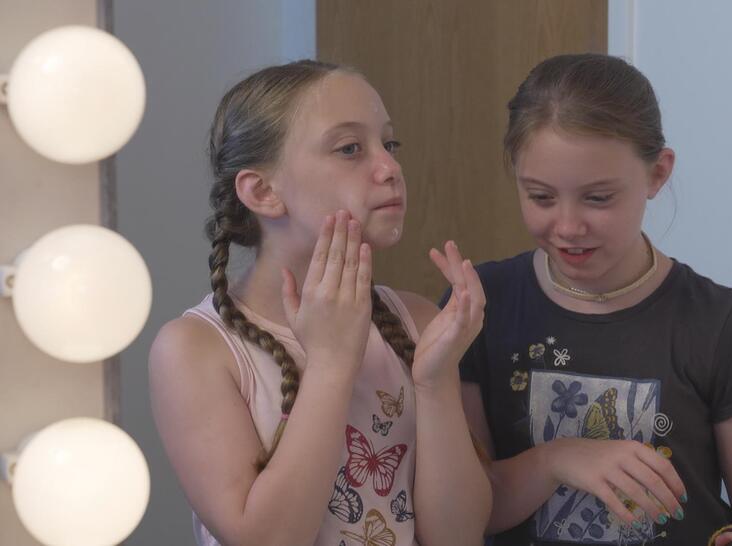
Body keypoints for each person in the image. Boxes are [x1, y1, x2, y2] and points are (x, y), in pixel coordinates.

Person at [454, 53, 732, 546]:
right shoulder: (478, 306)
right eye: (541, 197)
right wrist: (556, 459)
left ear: (657, 174)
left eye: (598, 198)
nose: (568, 227)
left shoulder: (716, 322)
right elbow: (464, 514)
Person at [149, 60, 491, 546]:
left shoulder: (415, 321)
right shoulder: (195, 350)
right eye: (350, 148)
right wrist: (330, 365)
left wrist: (434, 384)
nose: (390, 168)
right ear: (262, 191)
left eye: (389, 144)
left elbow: (458, 536)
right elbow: (268, 539)